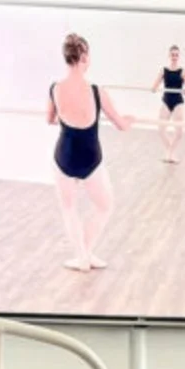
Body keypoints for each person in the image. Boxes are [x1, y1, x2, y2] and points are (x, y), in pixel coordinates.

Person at [48, 33, 135, 272]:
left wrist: (68, 118)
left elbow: (50, 119)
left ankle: (83, 256)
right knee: (105, 206)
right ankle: (84, 255)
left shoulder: (55, 89)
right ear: (84, 56)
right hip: (90, 159)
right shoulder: (97, 92)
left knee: (69, 209)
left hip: (64, 156)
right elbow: (121, 125)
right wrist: (131, 119)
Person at [150, 44, 185, 163]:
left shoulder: (183, 71)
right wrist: (153, 88)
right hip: (166, 101)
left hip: (178, 102)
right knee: (160, 129)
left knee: (179, 132)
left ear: (179, 56)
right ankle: (170, 153)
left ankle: (170, 153)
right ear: (169, 55)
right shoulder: (164, 70)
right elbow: (155, 85)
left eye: (176, 55)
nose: (174, 57)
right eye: (172, 55)